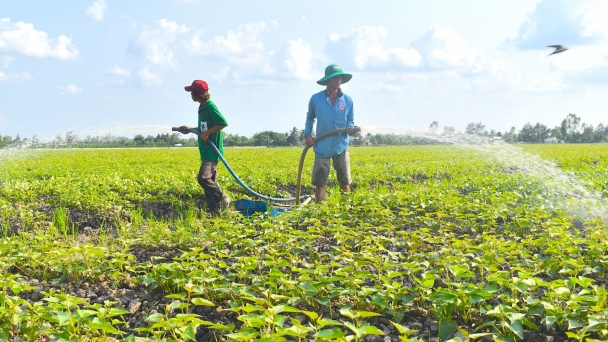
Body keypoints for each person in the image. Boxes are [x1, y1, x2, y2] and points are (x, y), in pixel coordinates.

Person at [305, 64, 356, 203]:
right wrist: (307, 135)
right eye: (335, 77)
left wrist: (350, 128)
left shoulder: (347, 100)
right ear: (328, 80)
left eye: (340, 77)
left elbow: (350, 120)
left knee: (344, 181)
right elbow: (310, 118)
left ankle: (346, 209)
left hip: (341, 145)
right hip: (323, 145)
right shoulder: (316, 99)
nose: (338, 80)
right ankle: (320, 212)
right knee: (320, 183)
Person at [180, 80, 230, 214]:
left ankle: (222, 196)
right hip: (206, 150)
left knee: (203, 178)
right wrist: (189, 129)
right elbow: (204, 128)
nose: (191, 95)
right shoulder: (202, 107)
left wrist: (207, 134)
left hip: (212, 151)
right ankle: (214, 211)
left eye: (192, 92)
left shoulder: (209, 106)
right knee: (210, 184)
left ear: (197, 94)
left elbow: (222, 123)